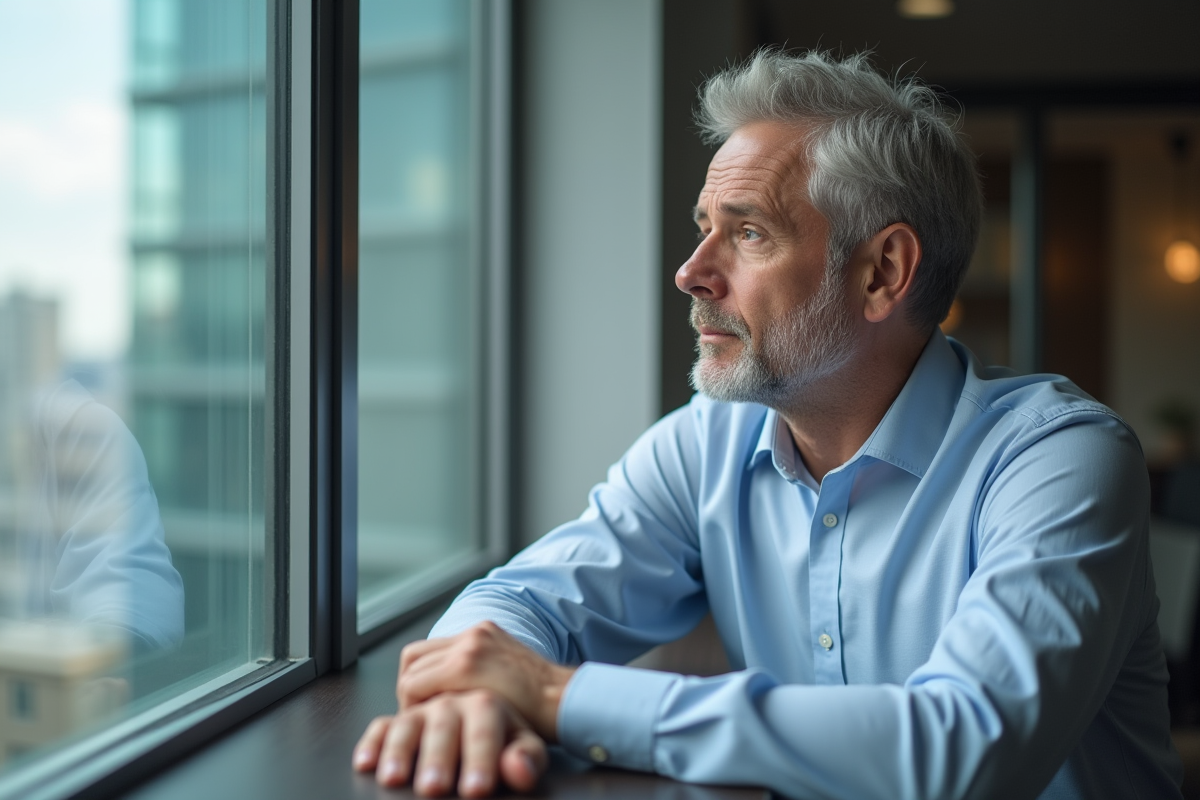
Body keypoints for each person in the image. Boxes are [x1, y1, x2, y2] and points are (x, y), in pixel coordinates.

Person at [352, 50, 1182, 799]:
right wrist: (465, 693)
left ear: (882, 273)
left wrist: (551, 695)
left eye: (747, 232)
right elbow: (518, 599)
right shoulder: (709, 439)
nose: (690, 273)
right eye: (702, 229)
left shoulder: (1060, 459)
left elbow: (960, 753)